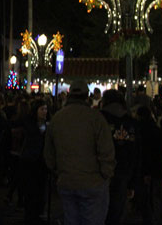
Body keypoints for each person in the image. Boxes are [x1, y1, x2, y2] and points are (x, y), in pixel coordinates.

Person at [44, 80, 115, 225]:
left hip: (66, 180)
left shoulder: (57, 119)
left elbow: (49, 154)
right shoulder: (95, 118)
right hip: (92, 181)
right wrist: (106, 174)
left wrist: (58, 171)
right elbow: (106, 151)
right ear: (86, 96)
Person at [100, 90, 139, 225]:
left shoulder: (99, 119)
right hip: (123, 172)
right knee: (116, 212)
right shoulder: (131, 122)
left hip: (100, 172)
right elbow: (134, 153)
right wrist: (132, 182)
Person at [20, 100, 49, 225]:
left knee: (40, 189)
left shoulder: (48, 124)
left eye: (46, 109)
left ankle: (37, 213)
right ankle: (30, 215)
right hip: (30, 160)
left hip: (42, 161)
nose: (44, 112)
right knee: (31, 189)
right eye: (42, 109)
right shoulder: (29, 123)